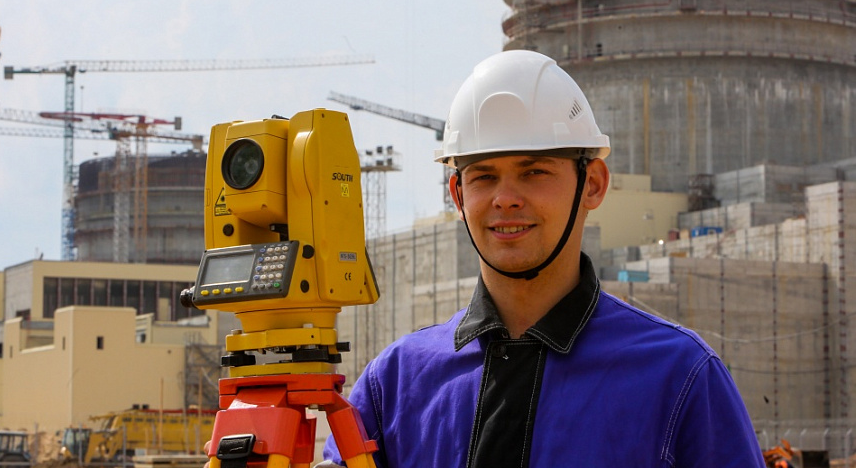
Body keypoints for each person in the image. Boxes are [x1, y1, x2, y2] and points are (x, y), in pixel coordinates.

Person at [321, 50, 765, 467]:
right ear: (458, 195)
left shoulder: (680, 376)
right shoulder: (395, 384)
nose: (506, 199)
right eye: (484, 176)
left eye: (534, 172)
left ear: (592, 184)